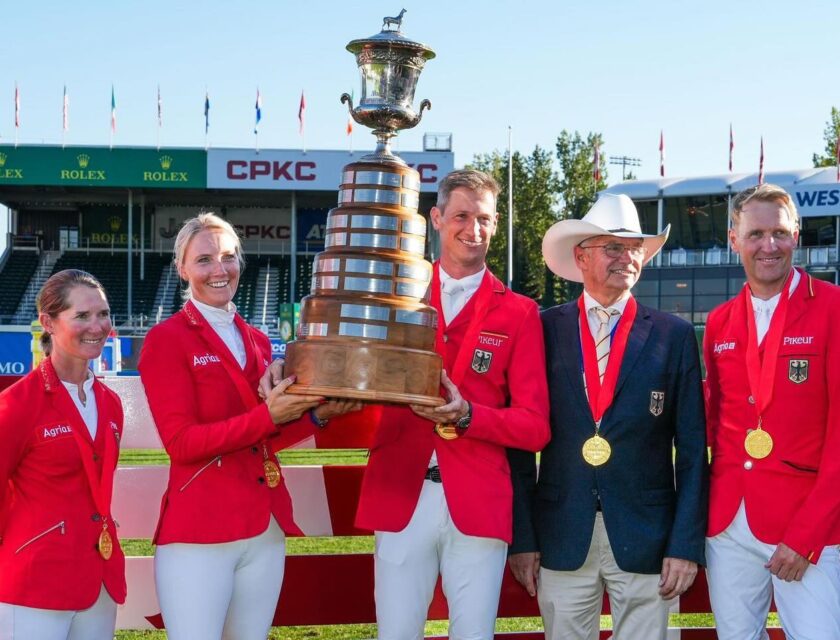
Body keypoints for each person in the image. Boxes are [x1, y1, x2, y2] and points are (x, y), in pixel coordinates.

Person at [138, 212, 358, 640]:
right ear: (182, 268)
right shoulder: (167, 339)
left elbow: (267, 437)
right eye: (204, 260)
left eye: (228, 256)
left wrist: (319, 415)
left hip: (263, 528)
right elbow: (181, 444)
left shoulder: (256, 339)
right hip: (200, 532)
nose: (219, 270)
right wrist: (267, 416)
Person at [354, 169, 551, 639]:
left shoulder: (520, 312)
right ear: (437, 218)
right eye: (462, 215)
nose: (473, 229)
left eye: (484, 218)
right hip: (403, 490)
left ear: (497, 224)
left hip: (478, 498)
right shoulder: (393, 296)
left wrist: (469, 416)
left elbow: (535, 427)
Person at [509, 194, 708, 640]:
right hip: (561, 531)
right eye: (613, 247)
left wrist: (684, 545)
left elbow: (693, 451)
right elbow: (520, 443)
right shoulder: (543, 329)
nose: (627, 258)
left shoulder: (673, 335)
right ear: (581, 257)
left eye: (635, 247)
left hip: (648, 536)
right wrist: (523, 539)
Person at [703, 184, 840, 639]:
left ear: (796, 236)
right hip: (729, 522)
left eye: (780, 233)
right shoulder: (720, 320)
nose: (769, 245)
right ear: (733, 239)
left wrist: (806, 535)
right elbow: (714, 417)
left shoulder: (833, 310)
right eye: (756, 233)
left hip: (806, 526)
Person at [0, 270, 126, 639]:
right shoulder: (17, 405)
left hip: (99, 580)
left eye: (103, 314)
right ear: (48, 323)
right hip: (34, 584)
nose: (97, 326)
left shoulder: (111, 404)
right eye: (82, 316)